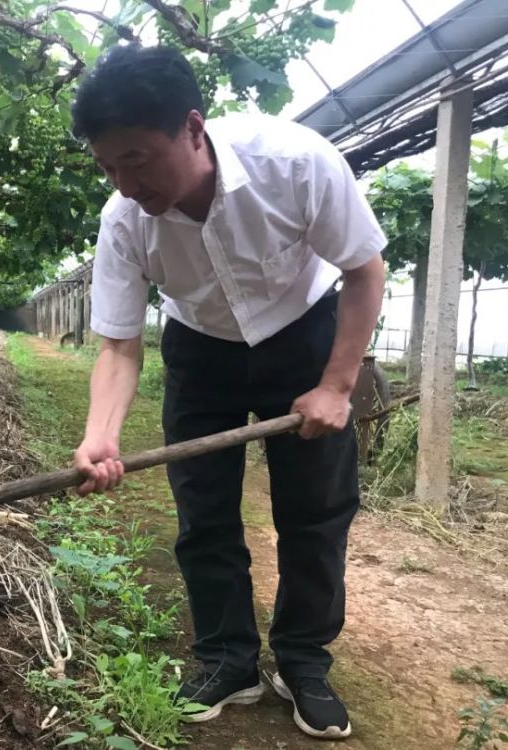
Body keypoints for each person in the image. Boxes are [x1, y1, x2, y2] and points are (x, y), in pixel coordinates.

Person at [69, 44, 386, 741]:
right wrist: (101, 434)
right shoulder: (123, 221)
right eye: (108, 167)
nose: (125, 183)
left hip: (305, 336)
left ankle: (303, 660)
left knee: (315, 511)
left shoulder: (296, 162)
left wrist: (336, 385)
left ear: (191, 127)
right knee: (204, 512)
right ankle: (227, 660)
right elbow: (120, 345)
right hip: (200, 349)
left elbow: (364, 272)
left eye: (138, 160)